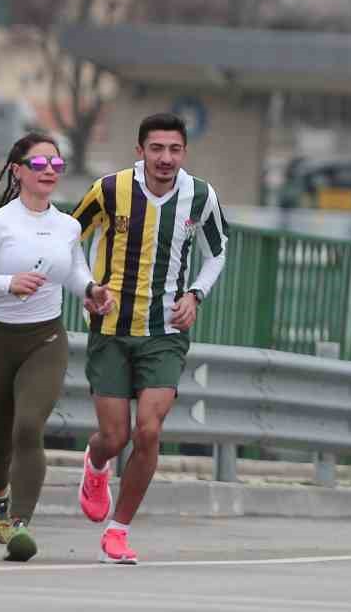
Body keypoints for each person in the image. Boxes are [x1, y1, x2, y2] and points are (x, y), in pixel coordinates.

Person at [70, 112, 231, 565]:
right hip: (111, 329)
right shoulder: (109, 189)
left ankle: (118, 531)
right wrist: (86, 287)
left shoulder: (201, 196)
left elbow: (217, 252)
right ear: (140, 151)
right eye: (156, 148)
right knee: (113, 436)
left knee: (149, 430)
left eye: (174, 149)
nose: (166, 158)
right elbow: (68, 238)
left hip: (165, 332)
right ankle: (96, 462)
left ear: (184, 152)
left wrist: (196, 294)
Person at [0, 132, 114, 562]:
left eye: (56, 165)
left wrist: (91, 290)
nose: (49, 172)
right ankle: (0, 497)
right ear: (18, 171)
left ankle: (19, 523)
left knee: (28, 427)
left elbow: (73, 271)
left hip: (46, 339)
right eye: (39, 164)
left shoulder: (67, 226)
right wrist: (7, 283)